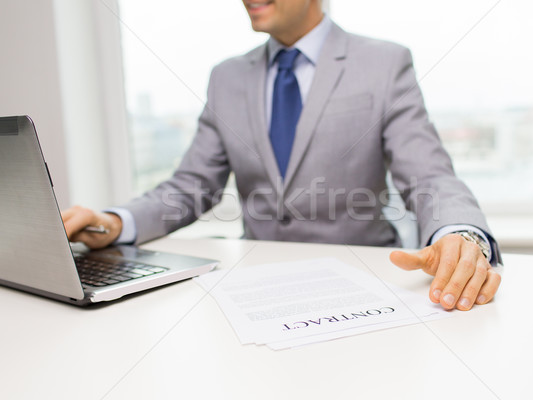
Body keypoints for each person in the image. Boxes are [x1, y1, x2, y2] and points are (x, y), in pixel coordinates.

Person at [62, 0, 501, 311]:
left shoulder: (384, 63)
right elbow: (191, 186)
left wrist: (461, 234)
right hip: (257, 294)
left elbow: (429, 177)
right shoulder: (227, 77)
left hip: (365, 286)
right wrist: (116, 222)